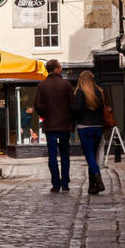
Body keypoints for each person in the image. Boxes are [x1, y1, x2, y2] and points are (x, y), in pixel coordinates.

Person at [32, 60, 75, 193]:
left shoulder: (42, 85)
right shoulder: (66, 85)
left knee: (52, 155)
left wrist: (46, 115)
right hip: (64, 126)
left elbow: (38, 105)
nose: (61, 69)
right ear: (56, 69)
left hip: (50, 126)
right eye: (60, 67)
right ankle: (65, 183)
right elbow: (73, 106)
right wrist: (69, 118)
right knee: (65, 155)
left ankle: (56, 184)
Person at [72, 70, 107, 194]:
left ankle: (98, 178)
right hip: (98, 127)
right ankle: (92, 187)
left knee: (90, 156)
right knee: (93, 156)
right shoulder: (100, 91)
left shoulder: (80, 92)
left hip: (85, 127)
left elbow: (76, 109)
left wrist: (71, 109)